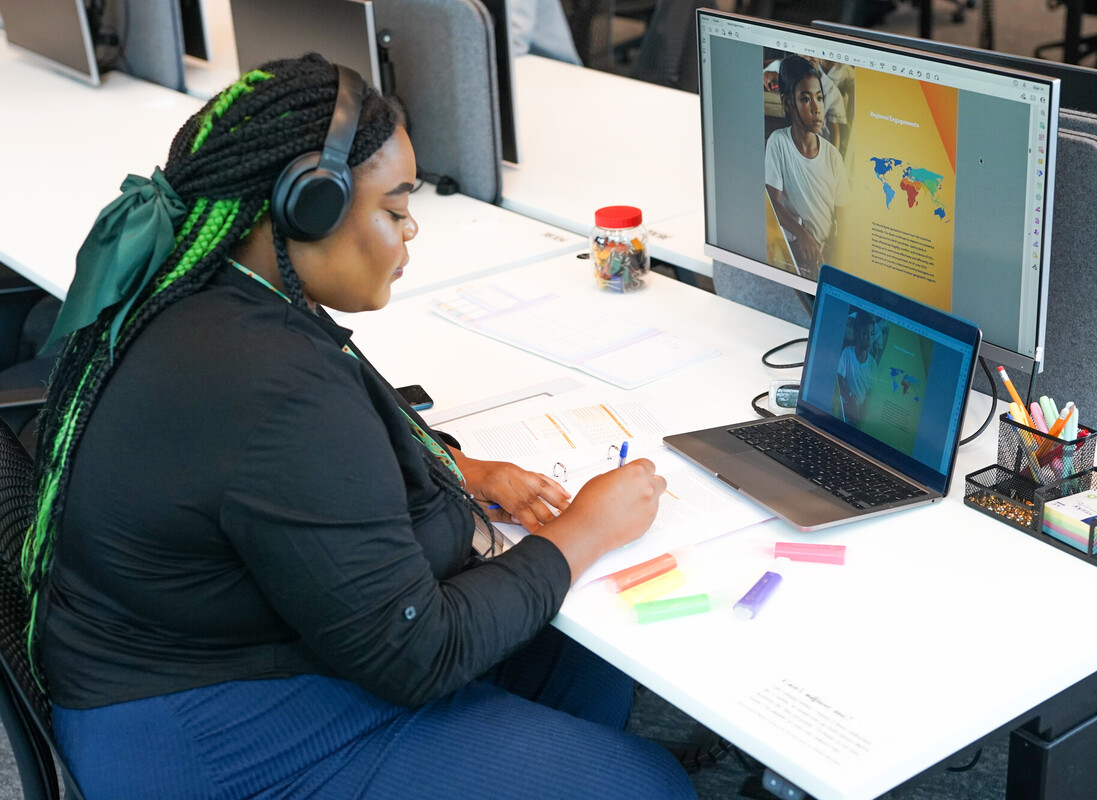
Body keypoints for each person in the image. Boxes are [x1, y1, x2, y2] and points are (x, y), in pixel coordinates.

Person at [25, 54, 695, 800]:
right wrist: (587, 530)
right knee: (646, 785)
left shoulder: (215, 283)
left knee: (577, 665)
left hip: (193, 650)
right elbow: (419, 652)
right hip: (205, 733)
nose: (410, 231)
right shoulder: (273, 386)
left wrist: (463, 470)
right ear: (307, 205)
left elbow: (280, 463)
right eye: (395, 207)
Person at [765, 54, 850, 278]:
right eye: (805, 99)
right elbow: (773, 202)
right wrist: (802, 235)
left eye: (819, 98)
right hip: (793, 248)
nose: (816, 108)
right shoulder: (779, 142)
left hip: (823, 257)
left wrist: (836, 271)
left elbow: (843, 220)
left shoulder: (833, 157)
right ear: (787, 103)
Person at [837, 311, 880, 425]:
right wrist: (850, 398)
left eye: (871, 334)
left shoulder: (872, 364)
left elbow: (870, 394)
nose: (869, 338)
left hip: (857, 416)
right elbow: (839, 383)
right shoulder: (847, 353)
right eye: (865, 333)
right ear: (857, 334)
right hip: (843, 410)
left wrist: (861, 412)